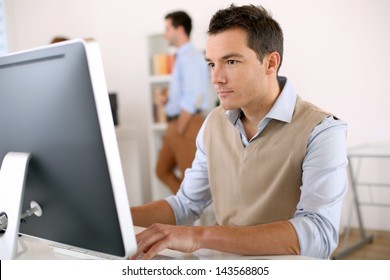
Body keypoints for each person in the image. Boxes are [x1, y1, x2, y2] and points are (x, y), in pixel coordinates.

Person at [131, 4, 348, 260]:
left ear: (270, 62)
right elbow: (185, 205)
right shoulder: (213, 123)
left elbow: (319, 235)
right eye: (211, 64)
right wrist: (110, 218)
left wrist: (198, 236)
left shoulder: (322, 130)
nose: (216, 78)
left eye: (231, 61)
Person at [155, 11, 210, 194]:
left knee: (193, 181)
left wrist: (180, 126)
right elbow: (186, 90)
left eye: (168, 28)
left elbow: (195, 94)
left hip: (186, 122)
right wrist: (168, 100)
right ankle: (186, 208)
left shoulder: (190, 56)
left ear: (180, 29)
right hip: (176, 122)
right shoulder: (181, 57)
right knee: (161, 170)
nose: (165, 33)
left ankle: (195, 215)